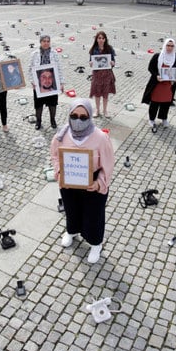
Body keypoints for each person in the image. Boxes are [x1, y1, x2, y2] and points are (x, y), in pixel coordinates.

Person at [50, 99, 114, 264]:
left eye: (83, 117)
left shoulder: (100, 138)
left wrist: (99, 183)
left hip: (91, 183)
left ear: (90, 117)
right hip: (69, 181)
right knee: (71, 209)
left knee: (94, 214)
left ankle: (95, 243)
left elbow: (107, 164)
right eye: (74, 116)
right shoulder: (61, 135)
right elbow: (55, 156)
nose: (78, 120)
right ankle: (71, 231)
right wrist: (59, 172)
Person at [141, 38, 176, 133]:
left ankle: (164, 118)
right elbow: (150, 68)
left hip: (168, 84)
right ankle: (151, 119)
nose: (169, 47)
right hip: (157, 83)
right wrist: (157, 76)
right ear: (165, 45)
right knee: (155, 101)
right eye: (168, 45)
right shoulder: (157, 56)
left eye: (172, 46)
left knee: (166, 102)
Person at [29, 34, 64, 130]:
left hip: (52, 82)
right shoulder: (34, 54)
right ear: (40, 42)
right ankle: (38, 121)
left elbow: (59, 68)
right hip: (39, 83)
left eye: (48, 41)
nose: (46, 43)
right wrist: (32, 81)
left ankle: (52, 120)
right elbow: (30, 69)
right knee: (38, 105)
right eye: (44, 41)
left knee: (52, 104)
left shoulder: (54, 53)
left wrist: (61, 83)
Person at [88, 31, 116, 118]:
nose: (101, 40)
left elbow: (114, 61)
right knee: (97, 92)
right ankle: (97, 110)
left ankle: (105, 110)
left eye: (102, 38)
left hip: (107, 74)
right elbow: (90, 61)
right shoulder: (93, 49)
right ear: (96, 39)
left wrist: (112, 63)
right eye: (99, 38)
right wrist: (91, 63)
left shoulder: (109, 49)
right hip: (97, 74)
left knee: (105, 92)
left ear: (105, 39)